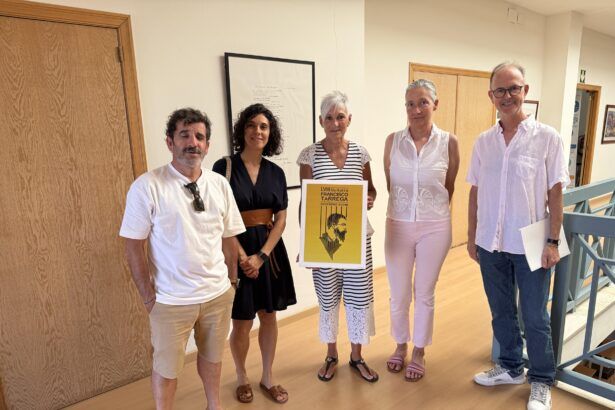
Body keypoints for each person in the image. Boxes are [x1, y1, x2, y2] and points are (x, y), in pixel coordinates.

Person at [120, 108, 245, 410]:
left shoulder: (219, 184)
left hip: (217, 294)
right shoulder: (147, 186)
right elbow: (133, 245)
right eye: (184, 135)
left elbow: (229, 238)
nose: (193, 143)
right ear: (170, 142)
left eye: (199, 137)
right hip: (170, 300)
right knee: (167, 369)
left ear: (207, 145)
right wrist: (148, 297)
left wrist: (232, 282)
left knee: (213, 358)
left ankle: (214, 405)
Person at [467, 62, 569, 410]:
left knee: (535, 316)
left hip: (532, 242)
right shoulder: (484, 142)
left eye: (514, 88)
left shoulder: (547, 137)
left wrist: (553, 242)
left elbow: (556, 193)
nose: (507, 95)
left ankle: (541, 380)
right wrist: (472, 236)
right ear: (491, 95)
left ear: (525, 91)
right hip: (491, 242)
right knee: (501, 311)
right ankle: (510, 367)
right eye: (500, 90)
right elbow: (474, 191)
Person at [212, 103, 296, 404]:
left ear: (270, 133)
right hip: (235, 250)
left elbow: (281, 218)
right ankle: (242, 377)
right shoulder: (223, 167)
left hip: (269, 254)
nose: (257, 131)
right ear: (242, 130)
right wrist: (242, 257)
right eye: (251, 125)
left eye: (263, 126)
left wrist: (261, 256)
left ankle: (268, 377)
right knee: (242, 321)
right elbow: (220, 217)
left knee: (269, 316)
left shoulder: (276, 172)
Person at [297, 90, 379, 383]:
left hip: (356, 240)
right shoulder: (309, 155)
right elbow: (306, 202)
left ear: (349, 119)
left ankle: (357, 357)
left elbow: (371, 190)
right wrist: (306, 246)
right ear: (321, 121)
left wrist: (369, 199)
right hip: (324, 242)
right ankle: (331, 355)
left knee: (359, 297)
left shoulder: (361, 153)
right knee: (328, 296)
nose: (335, 123)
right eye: (329, 118)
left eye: (340, 117)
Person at [383, 79, 460, 381]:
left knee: (424, 292)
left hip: (435, 227)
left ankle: (419, 351)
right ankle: (400, 345)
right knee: (399, 293)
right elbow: (390, 185)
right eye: (410, 104)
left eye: (423, 102)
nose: (416, 109)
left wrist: (427, 210)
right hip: (398, 225)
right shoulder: (392, 141)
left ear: (435, 104)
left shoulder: (449, 142)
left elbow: (449, 186)